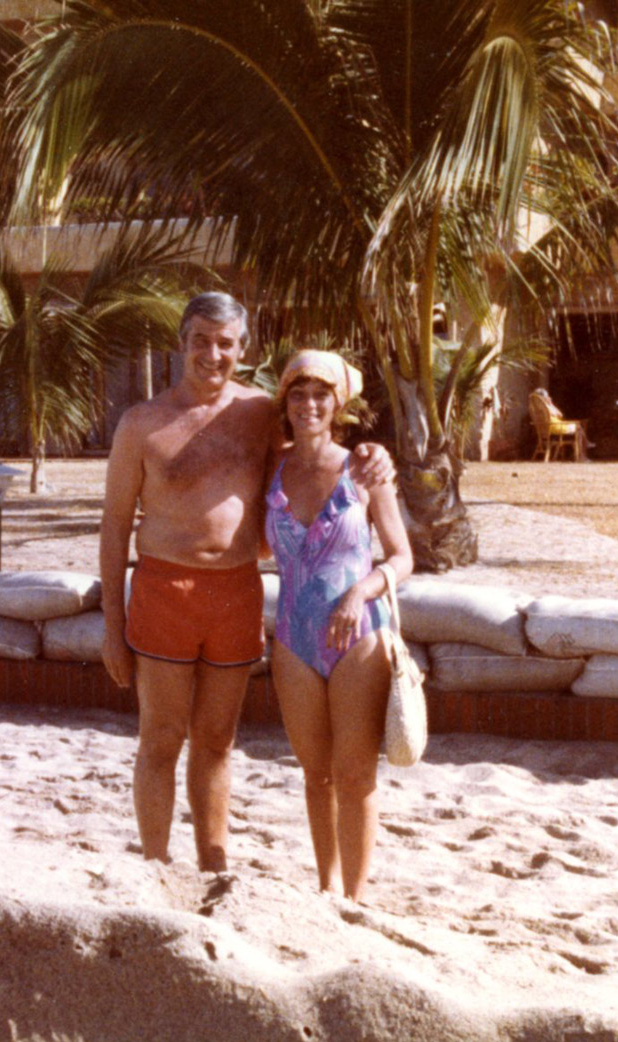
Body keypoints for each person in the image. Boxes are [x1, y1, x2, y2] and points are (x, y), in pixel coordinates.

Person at [99, 293, 393, 873]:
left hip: (236, 591)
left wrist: (373, 453)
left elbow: (313, 456)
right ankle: (155, 868)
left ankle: (213, 867)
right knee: (161, 738)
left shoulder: (260, 413)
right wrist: (113, 624)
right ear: (181, 343)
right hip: (164, 590)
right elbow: (113, 528)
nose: (213, 354)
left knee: (216, 741)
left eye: (226, 344)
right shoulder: (141, 424)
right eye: (201, 341)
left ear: (242, 349)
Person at [265, 349, 413, 902]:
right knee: (315, 775)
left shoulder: (364, 469)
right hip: (293, 639)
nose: (309, 405)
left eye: (321, 395)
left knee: (355, 775)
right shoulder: (270, 467)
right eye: (298, 394)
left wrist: (360, 591)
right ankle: (326, 890)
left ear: (338, 404)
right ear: (285, 402)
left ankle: (356, 897)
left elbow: (402, 556)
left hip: (359, 637)